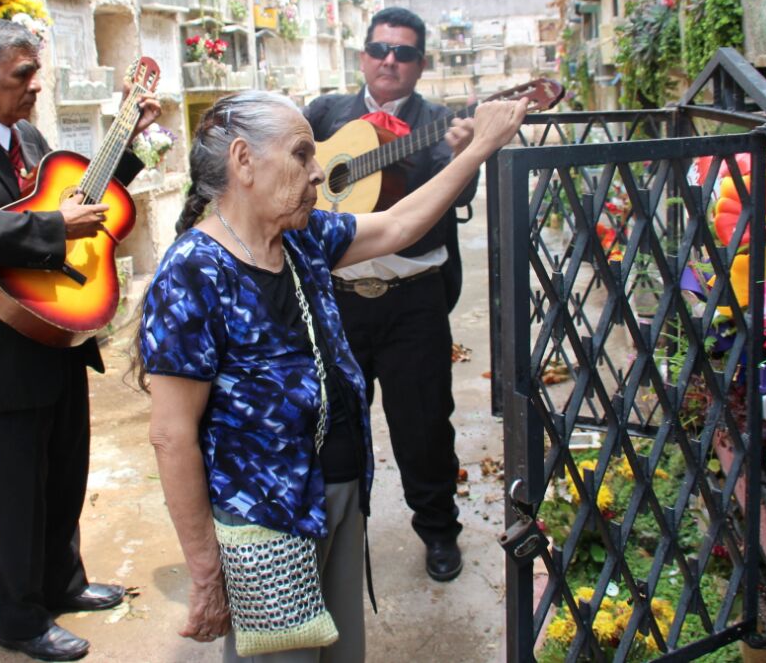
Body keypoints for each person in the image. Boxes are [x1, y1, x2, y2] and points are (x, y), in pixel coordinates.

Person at [142, 90, 526, 659]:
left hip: (338, 488)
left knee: (342, 652)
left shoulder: (300, 237)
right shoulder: (194, 270)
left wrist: (478, 151)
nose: (318, 171)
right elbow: (171, 435)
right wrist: (205, 571)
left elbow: (397, 225)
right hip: (268, 519)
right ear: (243, 161)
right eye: (301, 154)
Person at [0, 19, 159, 662]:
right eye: (23, 73)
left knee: (64, 467)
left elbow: (76, 199)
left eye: (35, 71)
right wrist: (52, 226)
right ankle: (18, 619)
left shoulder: (25, 134)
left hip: (52, 325)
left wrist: (124, 142)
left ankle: (61, 583)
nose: (35, 85)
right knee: (13, 490)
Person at [303, 6, 473, 582]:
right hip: (337, 301)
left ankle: (438, 531)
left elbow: (456, 194)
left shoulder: (442, 122)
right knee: (333, 424)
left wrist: (467, 153)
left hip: (412, 297)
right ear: (363, 57)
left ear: (421, 64)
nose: (389, 62)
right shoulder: (327, 113)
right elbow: (295, 169)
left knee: (423, 427)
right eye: (380, 50)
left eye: (403, 53)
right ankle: (336, 534)